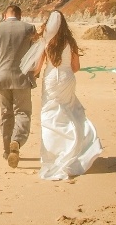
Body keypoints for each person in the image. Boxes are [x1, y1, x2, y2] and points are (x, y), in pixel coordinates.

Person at [30, 10, 103, 180]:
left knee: (50, 115)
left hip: (50, 80)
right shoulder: (70, 42)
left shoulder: (45, 41)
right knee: (69, 111)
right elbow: (76, 67)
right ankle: (76, 149)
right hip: (67, 78)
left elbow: (38, 68)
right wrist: (65, 68)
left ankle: (54, 154)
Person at [0, 5, 36, 168]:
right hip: (22, 77)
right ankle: (17, 141)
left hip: (2, 77)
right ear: (20, 16)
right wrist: (35, 74)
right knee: (23, 112)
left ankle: (7, 151)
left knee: (6, 114)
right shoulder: (29, 28)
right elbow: (35, 53)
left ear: (4, 15)